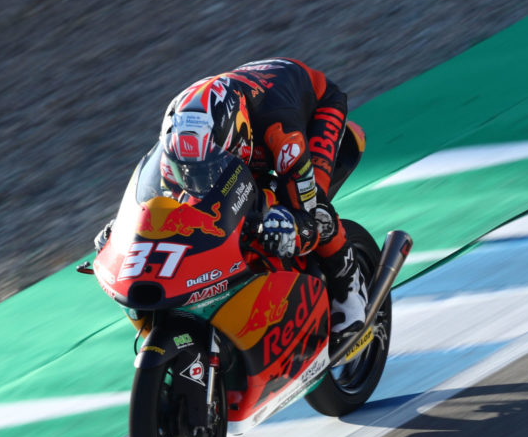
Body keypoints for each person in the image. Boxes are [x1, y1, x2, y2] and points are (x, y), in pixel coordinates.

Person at [150, 58, 367, 340]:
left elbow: (305, 215)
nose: (200, 179)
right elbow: (163, 188)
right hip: (250, 105)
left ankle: (351, 292)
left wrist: (293, 224)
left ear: (237, 135)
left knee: (316, 212)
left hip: (314, 107)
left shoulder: (280, 130)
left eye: (209, 167)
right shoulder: (177, 126)